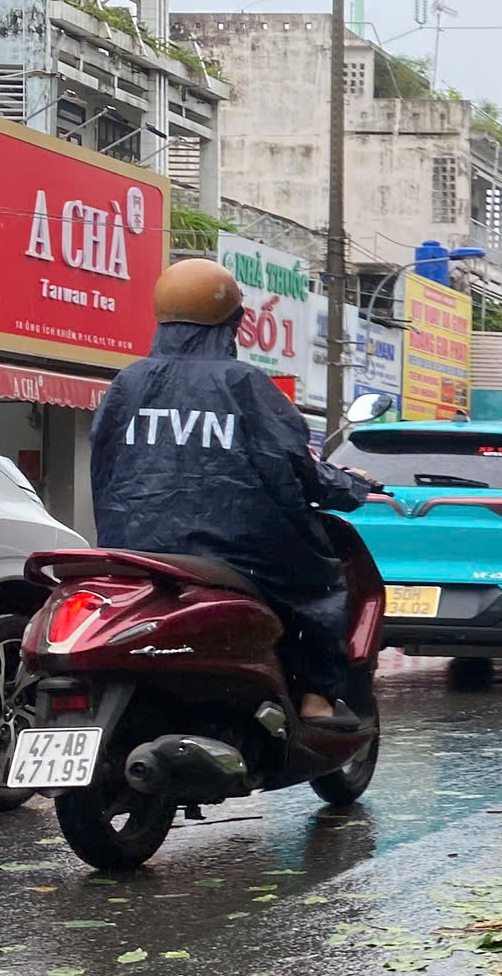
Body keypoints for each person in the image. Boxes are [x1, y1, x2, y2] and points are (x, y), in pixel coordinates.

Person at [90, 258, 377, 729]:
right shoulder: (244, 384)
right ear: (234, 322)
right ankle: (317, 699)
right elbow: (295, 467)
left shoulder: (128, 383)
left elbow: (103, 465)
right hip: (234, 549)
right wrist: (351, 486)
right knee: (320, 583)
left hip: (133, 545)